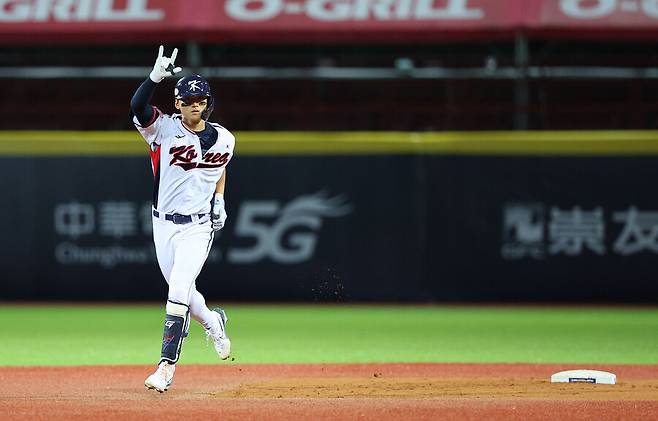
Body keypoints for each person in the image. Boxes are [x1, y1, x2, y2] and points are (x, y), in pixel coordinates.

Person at [130, 45, 235, 393]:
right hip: (163, 225)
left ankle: (166, 368)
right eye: (188, 99)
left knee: (177, 290)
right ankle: (213, 321)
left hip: (197, 226)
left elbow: (218, 169)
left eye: (201, 99)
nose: (195, 104)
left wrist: (219, 199)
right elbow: (137, 107)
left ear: (208, 103)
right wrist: (154, 78)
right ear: (177, 103)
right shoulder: (161, 128)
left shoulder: (225, 138)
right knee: (186, 295)